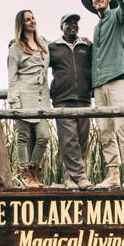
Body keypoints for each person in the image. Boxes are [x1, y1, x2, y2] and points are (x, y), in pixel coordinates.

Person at [79, 0, 124, 188]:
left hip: (118, 78)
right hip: (99, 84)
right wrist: (90, 46)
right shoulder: (97, 27)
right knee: (105, 130)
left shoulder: (117, 16)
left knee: (123, 125)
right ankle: (113, 174)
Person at [49, 13, 93, 189]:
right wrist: (16, 44)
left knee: (81, 141)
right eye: (69, 23)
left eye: (75, 23)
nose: (73, 25)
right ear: (62, 27)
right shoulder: (53, 47)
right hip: (62, 99)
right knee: (69, 140)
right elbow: (36, 55)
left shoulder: (86, 47)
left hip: (84, 99)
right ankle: (81, 177)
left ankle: (70, 178)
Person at [7, 9, 51, 188]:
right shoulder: (16, 48)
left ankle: (34, 170)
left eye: (33, 18)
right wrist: (14, 102)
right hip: (24, 96)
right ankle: (26, 175)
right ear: (21, 24)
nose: (32, 21)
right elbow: (12, 77)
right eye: (27, 20)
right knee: (23, 136)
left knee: (44, 136)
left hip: (42, 98)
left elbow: (59, 47)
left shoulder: (43, 43)